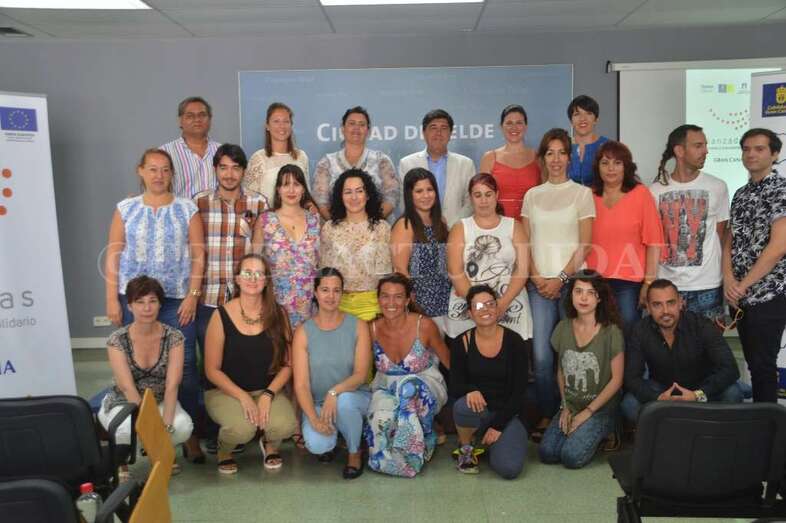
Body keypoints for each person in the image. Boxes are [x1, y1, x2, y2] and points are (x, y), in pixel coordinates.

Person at [104, 148, 204, 460]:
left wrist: (192, 295)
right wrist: (111, 298)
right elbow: (113, 254)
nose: (159, 175)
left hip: (176, 300)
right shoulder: (126, 208)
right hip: (134, 299)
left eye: (165, 169)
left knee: (185, 367)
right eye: (152, 169)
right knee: (135, 363)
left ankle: (188, 435)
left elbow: (199, 254)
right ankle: (142, 426)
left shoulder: (187, 209)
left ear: (172, 173)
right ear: (141, 171)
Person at [520, 128, 595, 435]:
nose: (555, 159)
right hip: (538, 285)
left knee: (573, 354)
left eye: (561, 152)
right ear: (542, 158)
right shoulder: (532, 196)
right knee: (541, 356)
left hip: (572, 284)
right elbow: (524, 244)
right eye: (550, 153)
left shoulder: (582, 194)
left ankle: (574, 411)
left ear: (569, 158)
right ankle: (548, 414)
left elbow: (585, 245)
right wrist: (539, 278)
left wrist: (561, 279)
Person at [203, 254, 298, 474]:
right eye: (247, 273)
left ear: (266, 280)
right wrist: (242, 396)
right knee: (242, 429)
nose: (253, 279)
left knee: (285, 425)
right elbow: (211, 370)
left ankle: (270, 444)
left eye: (259, 274)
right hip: (225, 392)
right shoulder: (220, 315)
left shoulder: (279, 313)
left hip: (266, 390)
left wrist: (268, 394)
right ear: (237, 279)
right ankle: (224, 450)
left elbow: (288, 365)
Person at [98, 276, 194, 475]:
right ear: (129, 306)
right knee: (124, 430)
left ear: (160, 305)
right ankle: (121, 460)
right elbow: (127, 388)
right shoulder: (117, 340)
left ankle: (157, 452)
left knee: (183, 427)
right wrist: (150, 427)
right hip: (124, 401)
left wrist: (165, 428)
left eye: (152, 301)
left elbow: (172, 385)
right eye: (139, 302)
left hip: (160, 399)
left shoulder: (174, 337)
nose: (147, 308)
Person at [723, 128, 786, 403]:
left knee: (763, 367)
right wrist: (728, 279)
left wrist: (743, 285)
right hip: (739, 296)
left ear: (775, 154)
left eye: (759, 149)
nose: (751, 154)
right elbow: (729, 241)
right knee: (753, 364)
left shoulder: (781, 190)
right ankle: (759, 421)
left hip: (769, 294)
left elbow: (779, 246)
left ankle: (768, 427)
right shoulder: (740, 193)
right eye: (746, 149)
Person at [621, 279, 742, 421]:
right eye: (657, 305)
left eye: (671, 303)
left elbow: (730, 369)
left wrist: (697, 395)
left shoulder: (701, 325)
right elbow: (631, 378)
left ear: (680, 302)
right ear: (648, 307)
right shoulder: (640, 330)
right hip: (663, 390)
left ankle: (705, 429)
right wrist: (658, 397)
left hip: (701, 388)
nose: (665, 311)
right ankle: (668, 431)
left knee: (733, 393)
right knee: (629, 404)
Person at [366, 273, 450, 478]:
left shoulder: (424, 325)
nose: (391, 303)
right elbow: (360, 368)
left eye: (398, 297)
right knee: (381, 420)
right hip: (386, 387)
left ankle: (415, 451)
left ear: (407, 300)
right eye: (385, 296)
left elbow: (450, 362)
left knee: (408, 387)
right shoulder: (372, 329)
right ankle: (387, 460)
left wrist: (470, 389)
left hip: (425, 386)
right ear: (378, 299)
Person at [538, 271, 624, 469]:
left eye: (590, 292)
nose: (583, 298)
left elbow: (617, 380)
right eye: (578, 291)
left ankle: (610, 427)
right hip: (572, 404)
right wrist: (565, 406)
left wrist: (588, 412)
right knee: (547, 453)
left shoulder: (611, 331)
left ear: (599, 298)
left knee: (571, 457)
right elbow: (561, 371)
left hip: (600, 408)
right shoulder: (563, 327)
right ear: (571, 295)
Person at [292, 268, 372, 480]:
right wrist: (313, 418)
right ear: (316, 293)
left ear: (342, 293)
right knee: (318, 445)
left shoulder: (358, 326)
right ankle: (335, 440)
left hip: (353, 397)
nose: (331, 296)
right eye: (325, 290)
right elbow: (301, 385)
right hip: (319, 404)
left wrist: (334, 392)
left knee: (344, 402)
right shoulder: (303, 332)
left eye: (336, 290)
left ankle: (354, 452)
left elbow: (360, 374)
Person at [650, 124, 730, 321]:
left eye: (705, 145)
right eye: (698, 146)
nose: (706, 151)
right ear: (679, 150)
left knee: (709, 340)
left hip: (708, 285)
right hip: (666, 287)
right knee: (668, 341)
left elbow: (721, 235)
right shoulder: (654, 191)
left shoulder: (718, 186)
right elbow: (652, 241)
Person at [194, 143, 268, 355]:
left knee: (242, 359)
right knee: (210, 361)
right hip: (209, 297)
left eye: (236, 168)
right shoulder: (199, 203)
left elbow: (261, 252)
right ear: (215, 169)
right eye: (223, 167)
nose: (229, 174)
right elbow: (192, 251)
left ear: (243, 171)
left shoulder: (259, 203)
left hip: (245, 297)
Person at [450, 285, 529, 479]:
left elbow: (519, 391)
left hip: (507, 414)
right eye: (478, 306)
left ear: (497, 308)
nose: (485, 309)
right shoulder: (462, 342)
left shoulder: (515, 342)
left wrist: (498, 426)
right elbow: (455, 384)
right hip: (479, 412)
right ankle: (467, 447)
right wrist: (471, 389)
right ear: (470, 313)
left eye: (490, 304)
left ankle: (487, 443)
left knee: (509, 469)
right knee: (462, 405)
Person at [585, 140, 662, 331]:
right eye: (605, 163)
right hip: (594, 281)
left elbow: (654, 242)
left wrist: (649, 282)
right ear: (597, 167)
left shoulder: (641, 194)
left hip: (629, 281)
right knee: (597, 335)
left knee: (627, 333)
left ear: (626, 166)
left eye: (617, 163)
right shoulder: (588, 196)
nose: (610, 168)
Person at [446, 173, 531, 342]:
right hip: (469, 306)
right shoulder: (460, 228)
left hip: (509, 304)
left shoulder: (515, 226)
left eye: (488, 194)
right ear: (471, 198)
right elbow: (455, 271)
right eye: (478, 195)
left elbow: (522, 270)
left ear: (497, 195)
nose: (483, 200)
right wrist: (479, 306)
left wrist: (502, 304)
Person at [320, 169, 392, 321]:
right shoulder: (329, 228)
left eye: (359, 191)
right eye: (348, 192)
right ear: (340, 196)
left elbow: (385, 275)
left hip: (372, 304)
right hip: (337, 304)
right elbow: (325, 273)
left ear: (368, 195)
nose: (354, 197)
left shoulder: (382, 228)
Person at [253, 164, 320, 327]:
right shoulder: (265, 220)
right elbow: (254, 264)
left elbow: (322, 264)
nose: (291, 190)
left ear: (303, 189)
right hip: (275, 306)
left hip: (309, 306)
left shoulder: (315, 221)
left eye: (296, 184)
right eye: (285, 184)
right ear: (278, 189)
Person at [390, 168, 451, 331]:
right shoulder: (405, 225)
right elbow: (400, 270)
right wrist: (412, 304)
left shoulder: (441, 222)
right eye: (419, 191)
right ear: (409, 195)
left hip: (447, 302)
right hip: (420, 305)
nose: (426, 195)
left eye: (429, 189)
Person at [313, 106, 400, 221]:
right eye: (352, 123)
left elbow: (392, 197)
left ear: (368, 131)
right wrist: (339, 226)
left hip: (377, 227)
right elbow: (321, 202)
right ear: (343, 128)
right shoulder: (326, 163)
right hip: (336, 228)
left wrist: (371, 225)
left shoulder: (382, 160)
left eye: (362, 124)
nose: (356, 128)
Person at [398, 109, 475, 226]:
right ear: (424, 133)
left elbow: (470, 201)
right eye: (433, 128)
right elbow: (405, 201)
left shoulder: (466, 164)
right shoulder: (407, 163)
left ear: (450, 134)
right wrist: (425, 224)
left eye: (444, 128)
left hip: (456, 229)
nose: (438, 133)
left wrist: (452, 225)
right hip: (419, 229)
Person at [479, 104, 540, 218]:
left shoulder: (538, 158)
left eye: (519, 123)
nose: (514, 127)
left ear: (526, 126)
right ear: (501, 127)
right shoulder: (489, 158)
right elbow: (481, 199)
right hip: (499, 224)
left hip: (531, 223)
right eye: (509, 123)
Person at [244, 102, 310, 203]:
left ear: (291, 125)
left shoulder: (301, 156)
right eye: (276, 121)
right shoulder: (258, 158)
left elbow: (307, 195)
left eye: (286, 121)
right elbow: (250, 199)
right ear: (267, 126)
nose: (281, 126)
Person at [161, 96, 221, 198]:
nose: (197, 119)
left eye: (202, 115)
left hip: (217, 208)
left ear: (210, 119)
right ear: (180, 121)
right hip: (181, 208)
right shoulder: (165, 153)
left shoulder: (222, 151)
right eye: (190, 116)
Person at [566, 95, 609, 187]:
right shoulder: (563, 146)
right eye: (577, 114)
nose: (582, 119)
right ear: (571, 121)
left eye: (588, 113)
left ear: (596, 119)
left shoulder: (608, 146)